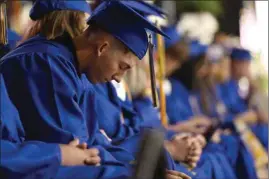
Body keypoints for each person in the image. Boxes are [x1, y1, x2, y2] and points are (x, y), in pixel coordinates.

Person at [1, 0, 188, 178]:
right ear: (102, 48)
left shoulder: (75, 70)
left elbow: (95, 143)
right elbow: (74, 150)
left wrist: (142, 168)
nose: (118, 78)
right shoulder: (46, 63)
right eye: (122, 67)